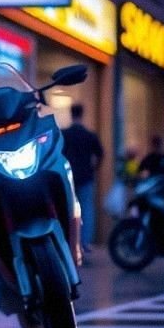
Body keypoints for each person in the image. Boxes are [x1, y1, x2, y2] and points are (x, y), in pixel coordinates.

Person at [62, 104, 104, 250]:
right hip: (86, 176)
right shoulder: (89, 135)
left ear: (71, 113)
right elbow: (100, 154)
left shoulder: (65, 134)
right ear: (82, 114)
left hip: (68, 177)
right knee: (86, 210)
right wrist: (94, 169)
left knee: (68, 210)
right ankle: (84, 242)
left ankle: (69, 242)